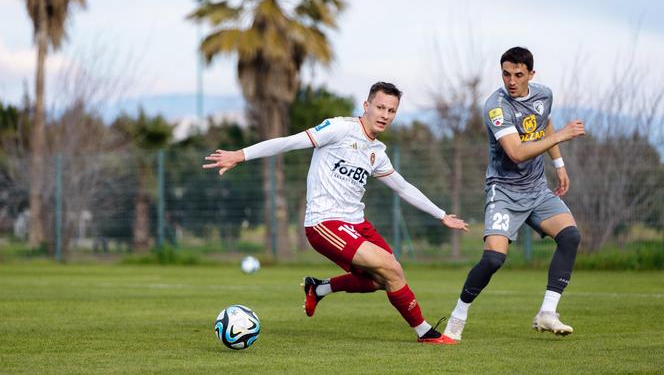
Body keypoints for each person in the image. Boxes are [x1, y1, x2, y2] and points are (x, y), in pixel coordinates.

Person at [203, 81, 469, 344]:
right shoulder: (339, 128)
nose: (385, 115)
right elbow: (288, 142)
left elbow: (402, 187)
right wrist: (240, 154)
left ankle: (319, 288)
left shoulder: (377, 152)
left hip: (357, 223)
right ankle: (426, 333)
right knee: (392, 268)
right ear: (366, 105)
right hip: (323, 222)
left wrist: (441, 215)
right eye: (380, 107)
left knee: (382, 279)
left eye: (391, 111)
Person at [442, 47, 586, 344]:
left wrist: (559, 165)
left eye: (518, 74)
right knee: (494, 259)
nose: (511, 80)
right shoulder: (496, 106)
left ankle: (547, 312)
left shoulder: (544, 94)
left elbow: (544, 121)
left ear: (531, 74)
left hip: (536, 189)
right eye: (506, 74)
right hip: (504, 192)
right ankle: (458, 316)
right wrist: (561, 137)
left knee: (570, 236)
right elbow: (517, 153)